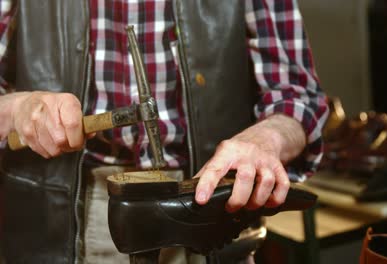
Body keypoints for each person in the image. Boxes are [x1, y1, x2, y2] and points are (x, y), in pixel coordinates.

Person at [0, 0, 328, 263]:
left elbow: (299, 97)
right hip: (71, 221)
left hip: (211, 208)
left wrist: (266, 139)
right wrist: (18, 109)